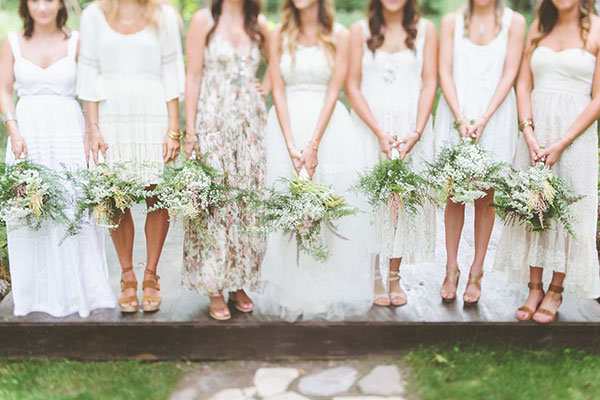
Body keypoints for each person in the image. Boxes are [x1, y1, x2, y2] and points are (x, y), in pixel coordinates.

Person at [258, 0, 372, 321]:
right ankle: (292, 287)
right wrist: (291, 142)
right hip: (285, 126)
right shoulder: (278, 34)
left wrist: (313, 143)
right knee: (287, 206)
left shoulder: (340, 35)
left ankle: (324, 285)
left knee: (328, 203)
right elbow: (277, 89)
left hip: (328, 127)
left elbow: (335, 90)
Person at [0, 0, 115, 317]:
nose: (43, 6)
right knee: (32, 210)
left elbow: (91, 89)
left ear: (62, 4)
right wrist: (13, 128)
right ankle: (36, 296)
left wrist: (93, 130)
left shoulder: (77, 41)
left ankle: (82, 293)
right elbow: (3, 87)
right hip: (28, 133)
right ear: (25, 5)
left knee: (72, 205)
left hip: (68, 130)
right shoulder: (12, 42)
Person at [495, 0, 600, 323]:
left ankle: (556, 289)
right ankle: (534, 287)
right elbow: (523, 83)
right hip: (536, 133)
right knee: (533, 207)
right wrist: (528, 131)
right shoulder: (538, 26)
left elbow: (598, 97)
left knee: (567, 209)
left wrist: (563, 141)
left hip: (574, 137)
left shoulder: (597, 28)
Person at [77, 0, 185, 313]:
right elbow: (88, 71)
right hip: (110, 115)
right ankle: (127, 276)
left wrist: (174, 129)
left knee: (157, 195)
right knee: (115, 196)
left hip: (154, 112)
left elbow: (172, 68)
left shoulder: (163, 15)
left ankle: (151, 274)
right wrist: (93, 127)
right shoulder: (93, 15)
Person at [182, 0, 271, 321]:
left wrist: (268, 85)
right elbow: (192, 77)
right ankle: (214, 286)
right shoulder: (204, 20)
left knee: (246, 203)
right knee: (216, 203)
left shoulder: (258, 23)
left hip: (250, 126)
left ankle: (238, 281)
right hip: (213, 121)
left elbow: (279, 61)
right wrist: (190, 132)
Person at [345, 0, 437, 307]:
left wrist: (417, 130)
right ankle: (373, 275)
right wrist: (378, 131)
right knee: (372, 201)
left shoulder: (426, 31)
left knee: (401, 202)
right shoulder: (359, 31)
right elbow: (352, 86)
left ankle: (394, 275)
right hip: (371, 128)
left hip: (409, 128)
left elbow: (429, 83)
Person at [435, 0, 525, 305]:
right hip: (456, 113)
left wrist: (484, 117)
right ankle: (451, 268)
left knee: (486, 195)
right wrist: (461, 117)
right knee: (455, 194)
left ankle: (477, 270)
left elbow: (509, 74)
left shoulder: (514, 23)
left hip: (496, 115)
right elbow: (444, 72)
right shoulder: (451, 22)